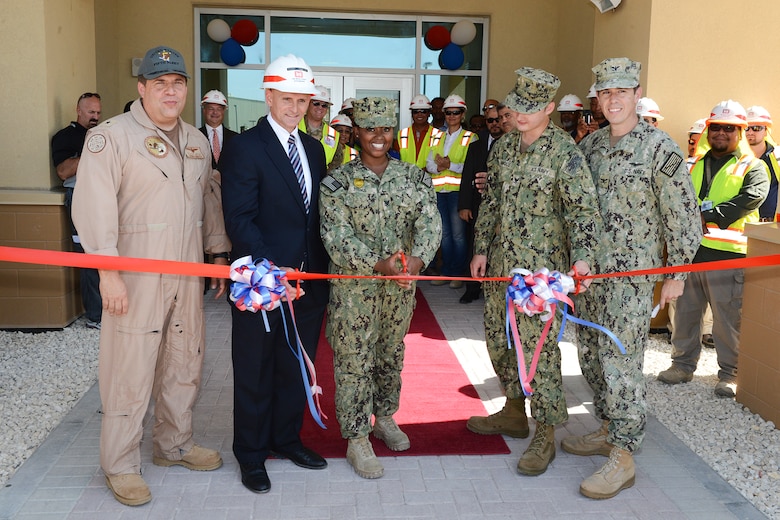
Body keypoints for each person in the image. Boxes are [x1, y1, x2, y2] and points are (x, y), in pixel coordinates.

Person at [71, 45, 231, 507]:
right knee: (130, 369)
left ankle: (173, 445)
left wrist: (217, 253)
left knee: (185, 360)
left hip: (186, 273)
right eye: (159, 82)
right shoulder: (111, 137)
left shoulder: (197, 141)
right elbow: (93, 206)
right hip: (135, 275)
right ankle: (119, 463)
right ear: (141, 88)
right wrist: (109, 272)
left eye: (178, 82)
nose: (170, 90)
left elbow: (208, 201)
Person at [565, 57, 702, 499]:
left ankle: (623, 456)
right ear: (597, 99)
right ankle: (607, 426)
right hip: (590, 278)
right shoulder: (590, 147)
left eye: (621, 91)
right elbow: (577, 211)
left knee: (621, 362)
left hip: (631, 279)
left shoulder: (660, 148)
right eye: (605, 92)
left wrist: (676, 273)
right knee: (590, 354)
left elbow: (682, 216)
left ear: (637, 94)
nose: (614, 99)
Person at [468, 67, 602, 477]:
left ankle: (546, 430)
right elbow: (491, 202)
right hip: (500, 266)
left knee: (539, 351)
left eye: (529, 108)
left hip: (541, 275)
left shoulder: (566, 153)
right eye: (515, 106)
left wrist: (582, 260)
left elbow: (584, 214)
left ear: (548, 108)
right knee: (499, 339)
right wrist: (480, 250)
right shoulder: (504, 148)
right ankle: (513, 409)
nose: (519, 114)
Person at [219, 54, 330, 495]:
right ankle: (250, 454)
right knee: (254, 370)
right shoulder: (245, 147)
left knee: (293, 369)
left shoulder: (316, 148)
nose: (296, 108)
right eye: (287, 99)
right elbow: (240, 219)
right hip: (262, 283)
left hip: (307, 285)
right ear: (268, 96)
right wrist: (270, 268)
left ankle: (286, 439)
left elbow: (314, 217)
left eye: (303, 100)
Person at [319, 96, 441, 480]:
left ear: (394, 132)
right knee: (354, 360)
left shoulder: (415, 178)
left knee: (391, 354)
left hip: (399, 291)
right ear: (356, 132)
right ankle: (356, 437)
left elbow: (429, 223)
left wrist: (417, 261)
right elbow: (334, 235)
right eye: (370, 128)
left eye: (385, 129)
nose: (378, 137)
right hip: (354, 291)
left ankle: (385, 417)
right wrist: (378, 265)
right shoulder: (336, 182)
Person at [657, 100, 768, 398]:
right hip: (690, 255)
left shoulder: (753, 167)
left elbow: (749, 199)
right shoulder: (689, 164)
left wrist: (705, 215)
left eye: (729, 128)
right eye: (716, 126)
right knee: (685, 316)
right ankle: (681, 365)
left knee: (728, 321)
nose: (721, 132)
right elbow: (670, 197)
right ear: (708, 130)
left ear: (740, 132)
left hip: (728, 259)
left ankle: (731, 374)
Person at [51, 92, 103, 330]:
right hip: (79, 199)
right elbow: (63, 172)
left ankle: (110, 309)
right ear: (78, 110)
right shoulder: (65, 137)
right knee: (86, 255)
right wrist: (90, 153)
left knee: (106, 251)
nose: (95, 117)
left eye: (98, 112)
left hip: (105, 198)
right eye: (91, 112)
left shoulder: (104, 134)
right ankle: (95, 316)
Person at [426, 94, 477, 290]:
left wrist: (450, 165)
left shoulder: (470, 137)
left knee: (458, 235)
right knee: (444, 235)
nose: (452, 115)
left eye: (456, 112)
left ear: (462, 114)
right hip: (439, 191)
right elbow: (429, 163)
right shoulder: (437, 136)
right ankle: (446, 271)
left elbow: (471, 167)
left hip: (458, 193)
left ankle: (458, 273)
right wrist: (439, 167)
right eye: (448, 112)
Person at [457, 102, 504, 304]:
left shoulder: (511, 144)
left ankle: (495, 289)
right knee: (474, 245)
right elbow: (467, 175)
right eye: (490, 120)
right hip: (478, 205)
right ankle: (472, 287)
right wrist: (464, 205)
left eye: (497, 119)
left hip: (502, 208)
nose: (494, 124)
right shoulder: (476, 144)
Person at [744, 106, 780, 221]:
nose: (750, 132)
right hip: (743, 224)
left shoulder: (778, 156)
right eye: (746, 128)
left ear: (766, 131)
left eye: (756, 128)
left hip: (772, 225)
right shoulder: (735, 159)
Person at [299, 85, 341, 170]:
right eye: (316, 103)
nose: (320, 108)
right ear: (307, 104)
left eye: (324, 105)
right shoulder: (293, 126)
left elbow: (336, 166)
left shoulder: (334, 134)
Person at [396, 94, 442, 171]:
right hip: (406, 179)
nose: (419, 114)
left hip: (428, 180)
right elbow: (395, 161)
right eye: (416, 111)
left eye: (423, 111)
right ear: (411, 113)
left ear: (429, 113)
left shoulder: (439, 135)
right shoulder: (402, 134)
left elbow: (439, 161)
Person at [199, 89, 238, 168]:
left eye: (219, 109)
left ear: (224, 111)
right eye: (211, 109)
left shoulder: (235, 138)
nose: (215, 112)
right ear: (204, 110)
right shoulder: (194, 136)